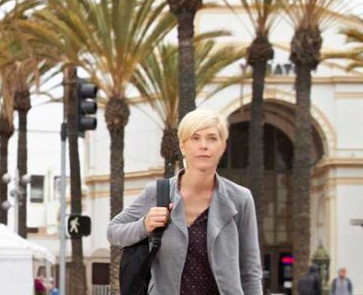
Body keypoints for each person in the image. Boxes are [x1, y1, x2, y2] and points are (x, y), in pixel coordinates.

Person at [106, 109, 262, 295]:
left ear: (222, 146)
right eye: (195, 138)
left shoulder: (240, 199)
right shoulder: (158, 193)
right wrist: (144, 225)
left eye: (212, 138)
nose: (204, 145)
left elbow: (250, 270)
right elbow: (113, 231)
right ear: (182, 145)